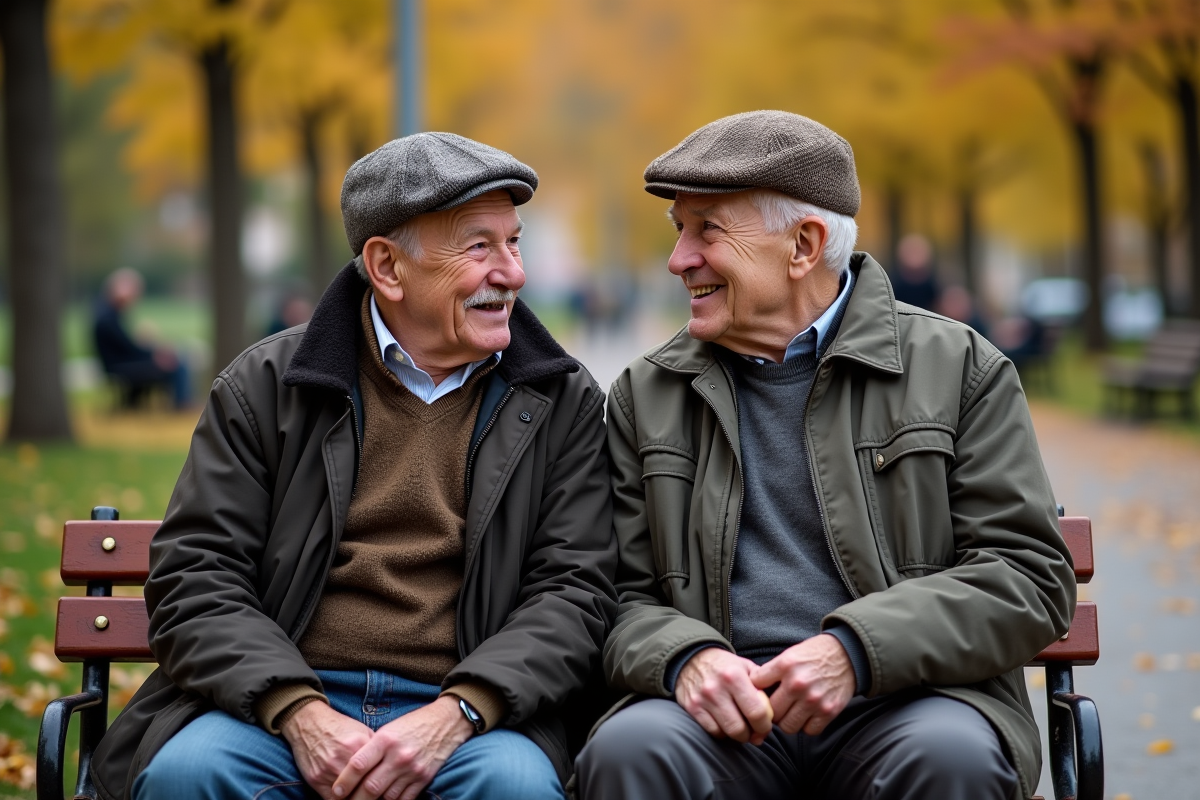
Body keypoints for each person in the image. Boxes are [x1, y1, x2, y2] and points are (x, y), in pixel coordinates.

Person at [92, 133, 617, 800]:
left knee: (514, 789)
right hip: (275, 707)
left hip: (475, 715)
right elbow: (197, 576)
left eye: (514, 243)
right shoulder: (266, 387)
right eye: (479, 246)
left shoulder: (559, 399)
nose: (512, 272)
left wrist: (457, 712)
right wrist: (299, 712)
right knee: (188, 776)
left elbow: (575, 591)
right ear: (388, 268)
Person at [575, 111, 1075, 800]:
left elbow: (1028, 575)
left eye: (707, 229)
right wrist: (683, 658)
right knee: (633, 750)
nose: (679, 258)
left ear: (803, 245)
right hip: (720, 718)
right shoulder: (645, 394)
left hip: (909, 701)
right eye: (678, 230)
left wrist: (857, 651)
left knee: (949, 758)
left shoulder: (959, 369)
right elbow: (615, 597)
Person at [92, 268, 191, 408]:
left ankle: (180, 402)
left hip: (122, 363)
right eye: (134, 291)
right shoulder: (108, 317)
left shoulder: (108, 313)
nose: (135, 297)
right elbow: (129, 348)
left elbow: (125, 345)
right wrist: (155, 353)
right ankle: (181, 404)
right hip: (121, 366)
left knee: (174, 358)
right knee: (176, 363)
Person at [890, 232, 940, 310]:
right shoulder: (893, 282)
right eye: (910, 251)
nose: (914, 257)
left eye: (918, 251)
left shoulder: (935, 283)